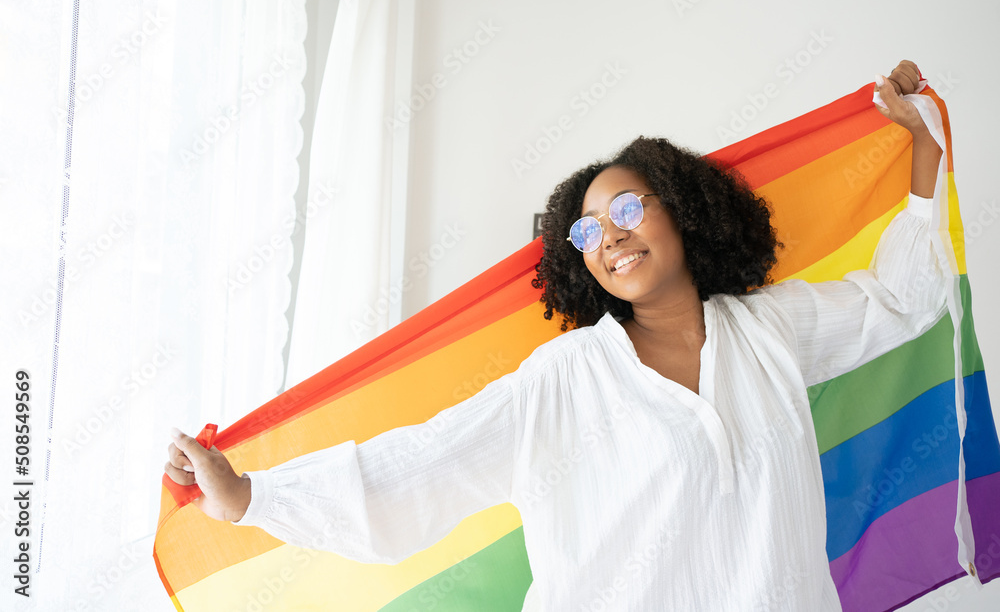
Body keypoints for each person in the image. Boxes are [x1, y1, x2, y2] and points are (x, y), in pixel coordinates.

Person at [165, 60, 947, 610]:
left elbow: (901, 301)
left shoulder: (770, 330)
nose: (611, 236)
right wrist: (250, 494)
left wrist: (922, 149)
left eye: (629, 209)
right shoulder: (566, 377)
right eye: (588, 230)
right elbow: (422, 465)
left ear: (684, 212)